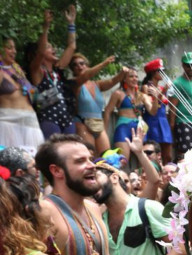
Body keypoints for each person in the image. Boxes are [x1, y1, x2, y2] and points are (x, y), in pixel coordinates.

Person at [28, 7, 77, 139]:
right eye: (50, 47)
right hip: (49, 118)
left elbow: (72, 46)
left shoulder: (57, 70)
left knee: (72, 150)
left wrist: (71, 24)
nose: (54, 49)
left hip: (66, 117)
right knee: (54, 152)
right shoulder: (37, 71)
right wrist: (46, 27)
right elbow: (41, 51)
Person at [69, 53, 125, 154]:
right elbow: (86, 76)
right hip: (82, 123)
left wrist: (123, 73)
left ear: (87, 65)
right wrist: (104, 64)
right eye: (75, 65)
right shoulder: (75, 83)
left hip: (98, 123)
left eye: (82, 63)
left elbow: (112, 81)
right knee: (89, 155)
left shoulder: (97, 84)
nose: (79, 66)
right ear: (72, 69)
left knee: (106, 157)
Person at [0, 36, 44, 151]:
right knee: (12, 159)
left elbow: (33, 94)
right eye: (9, 48)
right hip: (8, 119)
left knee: (34, 157)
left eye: (14, 48)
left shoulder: (17, 69)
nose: (14, 51)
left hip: (29, 118)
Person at [103, 68, 147, 164]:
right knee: (122, 161)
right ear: (124, 79)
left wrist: (157, 97)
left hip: (139, 128)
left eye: (136, 76)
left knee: (143, 161)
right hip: (124, 128)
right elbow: (107, 111)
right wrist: (105, 131)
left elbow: (152, 110)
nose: (134, 78)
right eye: (131, 76)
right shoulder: (118, 93)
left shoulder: (140, 95)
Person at [168, 52, 192, 160]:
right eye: (188, 65)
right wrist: (172, 128)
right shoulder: (177, 83)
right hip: (183, 122)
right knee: (184, 155)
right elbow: (172, 107)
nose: (191, 68)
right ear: (183, 65)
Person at [141, 58, 174, 164]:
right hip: (152, 122)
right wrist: (162, 92)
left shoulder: (160, 87)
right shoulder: (146, 87)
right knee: (153, 153)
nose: (163, 74)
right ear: (153, 72)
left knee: (168, 155)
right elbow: (151, 106)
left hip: (163, 121)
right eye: (160, 71)